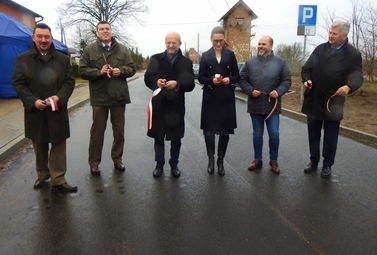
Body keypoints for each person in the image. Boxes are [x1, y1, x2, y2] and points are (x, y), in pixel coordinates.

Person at [12, 23, 77, 192]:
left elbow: (69, 82)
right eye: (40, 36)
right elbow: (18, 84)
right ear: (33, 38)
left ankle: (58, 179)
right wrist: (32, 101)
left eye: (47, 37)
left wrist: (59, 97)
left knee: (58, 146)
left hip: (57, 110)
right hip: (35, 110)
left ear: (51, 38)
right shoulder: (23, 59)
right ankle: (43, 174)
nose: (43, 40)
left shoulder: (63, 59)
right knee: (39, 145)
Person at [301, 18, 363, 178]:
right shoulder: (320, 49)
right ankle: (313, 161)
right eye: (330, 32)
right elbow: (306, 69)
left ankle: (327, 164)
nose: (330, 36)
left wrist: (349, 86)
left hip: (333, 103)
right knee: (313, 135)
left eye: (334, 34)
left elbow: (357, 76)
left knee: (330, 137)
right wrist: (306, 80)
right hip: (314, 100)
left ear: (344, 35)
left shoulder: (353, 54)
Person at [79, 21, 136, 176]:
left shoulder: (123, 49)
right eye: (101, 29)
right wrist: (99, 72)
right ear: (97, 32)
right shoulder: (89, 50)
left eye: (107, 29)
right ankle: (94, 163)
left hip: (118, 96)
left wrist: (120, 71)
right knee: (97, 131)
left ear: (111, 31)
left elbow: (132, 68)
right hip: (99, 97)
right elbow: (82, 70)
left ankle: (117, 159)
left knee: (119, 131)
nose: (105, 31)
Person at [144, 32, 195, 178]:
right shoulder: (155, 59)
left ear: (179, 43)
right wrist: (156, 83)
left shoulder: (186, 62)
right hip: (159, 104)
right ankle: (159, 164)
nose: (171, 45)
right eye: (168, 42)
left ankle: (174, 164)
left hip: (176, 106)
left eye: (174, 42)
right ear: (165, 43)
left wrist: (177, 84)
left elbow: (191, 84)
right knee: (158, 136)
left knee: (176, 137)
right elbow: (148, 78)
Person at [238, 35, 291, 174]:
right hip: (255, 105)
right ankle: (257, 159)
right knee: (257, 134)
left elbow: (286, 81)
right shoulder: (250, 63)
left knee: (274, 134)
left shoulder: (280, 62)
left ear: (271, 46)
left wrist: (278, 92)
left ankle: (274, 161)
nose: (261, 46)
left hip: (272, 106)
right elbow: (242, 80)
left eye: (264, 44)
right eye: (259, 43)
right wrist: (250, 90)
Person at [198, 26, 240, 176]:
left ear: (224, 39)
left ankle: (220, 161)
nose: (218, 43)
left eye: (221, 40)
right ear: (211, 39)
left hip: (226, 97)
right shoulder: (205, 55)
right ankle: (210, 160)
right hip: (210, 97)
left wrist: (229, 80)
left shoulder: (230, 55)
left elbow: (237, 76)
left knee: (224, 131)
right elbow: (201, 77)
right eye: (215, 40)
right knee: (209, 131)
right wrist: (211, 81)